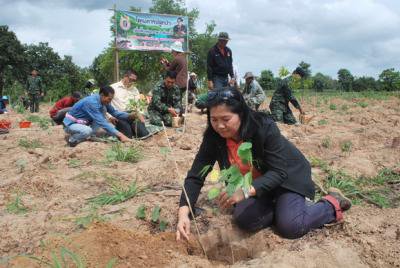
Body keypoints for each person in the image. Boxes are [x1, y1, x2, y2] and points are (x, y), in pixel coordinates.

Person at [176, 87, 351, 241]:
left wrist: (244, 192)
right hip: (256, 185)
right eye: (214, 120)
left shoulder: (263, 127)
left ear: (241, 114)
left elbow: (278, 172)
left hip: (286, 177)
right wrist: (183, 213)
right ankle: (283, 207)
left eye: (226, 119)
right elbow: (195, 176)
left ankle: (330, 203)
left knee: (291, 227)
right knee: (245, 219)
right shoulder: (214, 137)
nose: (219, 126)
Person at [63, 86, 133, 147]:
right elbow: (101, 122)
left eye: (111, 99)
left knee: (103, 109)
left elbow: (114, 112)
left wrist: (130, 115)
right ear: (102, 95)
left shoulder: (102, 101)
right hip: (71, 124)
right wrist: (121, 135)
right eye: (109, 99)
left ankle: (91, 136)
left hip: (82, 123)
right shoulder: (91, 102)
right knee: (87, 131)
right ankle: (72, 140)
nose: (110, 101)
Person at [110, 69, 149, 139]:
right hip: (119, 116)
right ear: (125, 76)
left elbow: (138, 105)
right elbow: (105, 104)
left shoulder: (135, 90)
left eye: (134, 81)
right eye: (131, 79)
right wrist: (110, 117)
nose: (132, 82)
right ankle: (128, 129)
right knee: (127, 135)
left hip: (133, 115)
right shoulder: (113, 88)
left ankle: (133, 128)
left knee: (143, 133)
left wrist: (140, 114)